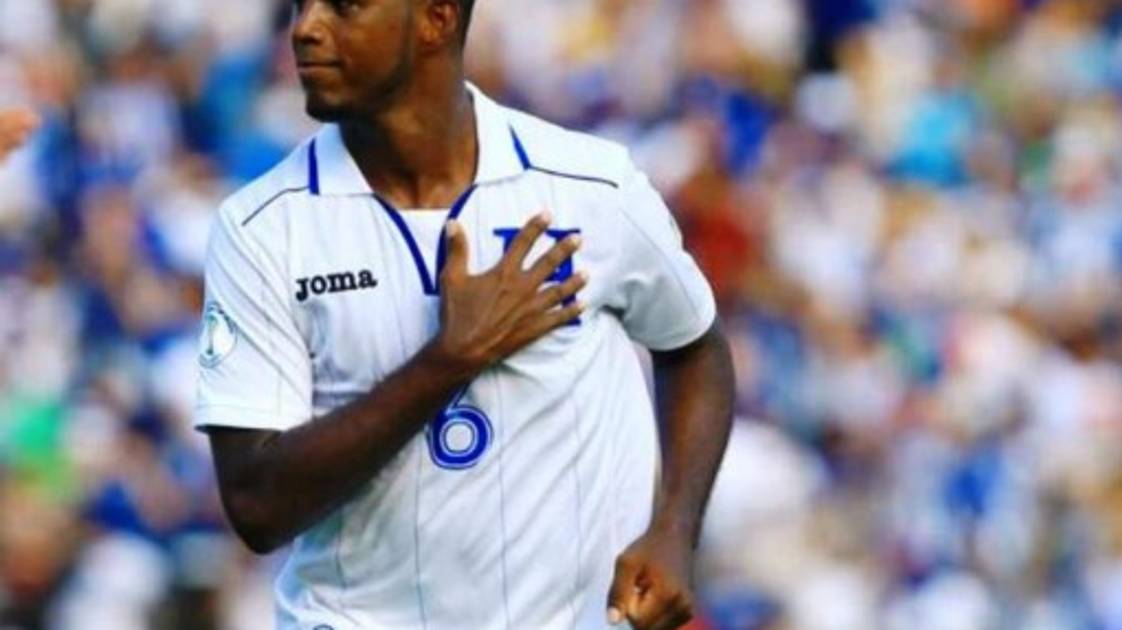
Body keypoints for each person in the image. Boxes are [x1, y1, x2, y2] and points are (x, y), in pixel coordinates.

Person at [195, 1, 734, 628]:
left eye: (345, 5)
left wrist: (676, 528)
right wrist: (449, 359)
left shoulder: (590, 187)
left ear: (437, 18)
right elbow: (257, 505)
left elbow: (693, 344)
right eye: (301, 3)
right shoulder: (261, 229)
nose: (305, 28)